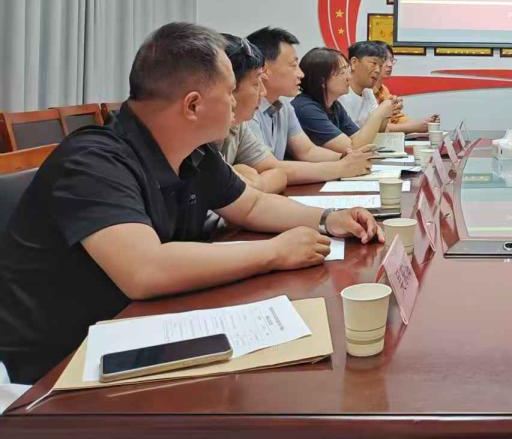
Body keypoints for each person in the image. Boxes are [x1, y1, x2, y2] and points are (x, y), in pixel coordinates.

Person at [0, 23, 384, 384]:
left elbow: (250, 206)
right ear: (193, 106)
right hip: (56, 372)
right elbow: (145, 269)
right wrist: (275, 252)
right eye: (230, 91)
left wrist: (329, 218)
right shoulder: (94, 161)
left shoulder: (193, 152)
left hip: (139, 330)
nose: (237, 103)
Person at [245, 27, 373, 183]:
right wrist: (342, 167)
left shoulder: (284, 105)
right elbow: (268, 167)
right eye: (293, 65)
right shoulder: (246, 111)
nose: (301, 74)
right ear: (264, 70)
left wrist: (345, 159)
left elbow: (307, 150)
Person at [218, 34, 287, 193]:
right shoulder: (197, 141)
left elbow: (278, 172)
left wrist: (255, 185)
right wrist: (245, 183)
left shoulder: (238, 125)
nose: (263, 92)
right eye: (256, 83)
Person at [292, 47, 394, 152]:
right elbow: (354, 149)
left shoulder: (335, 106)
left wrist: (384, 114)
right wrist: (379, 113)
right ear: (322, 81)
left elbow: (359, 138)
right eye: (342, 72)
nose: (349, 77)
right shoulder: (306, 108)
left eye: (348, 70)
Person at [372, 43, 439, 134]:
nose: (390, 65)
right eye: (384, 59)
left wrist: (424, 123)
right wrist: (414, 127)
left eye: (391, 60)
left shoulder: (384, 89)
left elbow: (397, 119)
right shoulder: (366, 91)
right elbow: (375, 127)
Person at [339, 41, 389, 128]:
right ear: (354, 62)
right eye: (374, 63)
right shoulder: (339, 93)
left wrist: (387, 113)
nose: (378, 70)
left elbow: (379, 129)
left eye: (381, 66)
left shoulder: (367, 91)